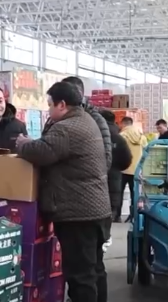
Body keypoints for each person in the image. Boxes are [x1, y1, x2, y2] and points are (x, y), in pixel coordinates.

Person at [15, 81, 110, 302]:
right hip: (95, 210)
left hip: (78, 214)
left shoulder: (66, 127)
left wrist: (22, 143)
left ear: (62, 105)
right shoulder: (86, 120)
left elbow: (43, 151)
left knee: (80, 276)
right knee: (93, 269)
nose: (49, 110)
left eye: (50, 105)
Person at [60, 77, 113, 249]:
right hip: (65, 202)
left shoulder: (94, 119)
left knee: (87, 256)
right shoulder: (58, 118)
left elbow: (105, 160)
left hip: (85, 200)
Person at [98, 110, 132, 223]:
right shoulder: (119, 138)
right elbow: (127, 158)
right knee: (114, 194)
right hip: (115, 172)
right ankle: (114, 215)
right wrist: (117, 167)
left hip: (97, 172)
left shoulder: (95, 134)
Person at [119, 117, 147, 222]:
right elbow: (146, 151)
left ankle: (117, 215)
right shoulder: (142, 136)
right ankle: (134, 215)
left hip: (123, 169)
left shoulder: (122, 136)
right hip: (137, 170)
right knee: (134, 194)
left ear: (123, 124)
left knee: (119, 193)